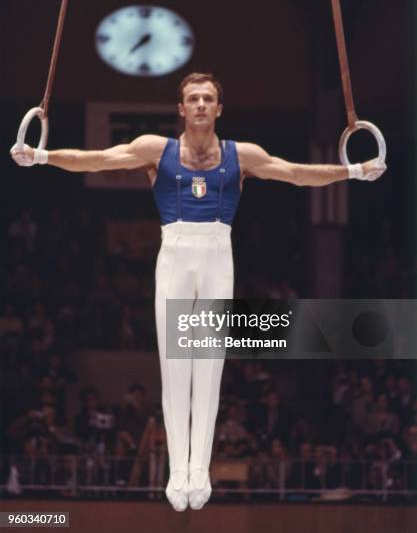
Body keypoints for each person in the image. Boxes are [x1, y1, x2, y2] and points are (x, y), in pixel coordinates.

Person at [10, 72, 386, 510]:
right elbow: (95, 160)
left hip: (216, 255)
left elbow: (298, 175)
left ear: (219, 108)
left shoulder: (241, 155)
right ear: (182, 108)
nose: (202, 104)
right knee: (175, 367)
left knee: (209, 366)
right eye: (194, 98)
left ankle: (199, 469)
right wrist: (40, 156)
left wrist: (355, 170)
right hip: (173, 254)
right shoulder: (156, 149)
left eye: (209, 98)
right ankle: (177, 469)